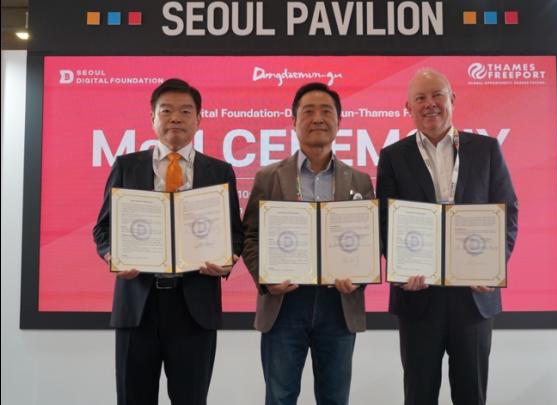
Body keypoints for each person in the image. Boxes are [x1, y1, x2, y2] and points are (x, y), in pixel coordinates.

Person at [93, 78, 243, 405]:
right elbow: (103, 229)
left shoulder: (220, 171)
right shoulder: (126, 166)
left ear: (199, 119)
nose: (175, 118)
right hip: (138, 304)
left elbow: (235, 233)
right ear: (152, 118)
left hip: (194, 307)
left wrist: (227, 259)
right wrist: (112, 255)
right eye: (166, 111)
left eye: (185, 111)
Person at [376, 69, 518, 405]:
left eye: (437, 95)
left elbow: (507, 212)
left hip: (473, 297)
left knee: (472, 395)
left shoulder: (486, 149)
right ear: (408, 108)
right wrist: (400, 269)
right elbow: (384, 220)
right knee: (419, 395)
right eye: (420, 98)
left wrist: (492, 267)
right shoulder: (393, 156)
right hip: (418, 296)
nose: (430, 104)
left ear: (452, 99)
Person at [242, 82, 374, 405]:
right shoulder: (268, 177)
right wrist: (266, 279)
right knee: (280, 397)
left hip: (338, 305)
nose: (318, 118)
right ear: (294, 121)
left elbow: (368, 241)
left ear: (339, 122)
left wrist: (358, 278)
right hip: (285, 303)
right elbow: (250, 236)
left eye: (326, 111)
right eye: (308, 111)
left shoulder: (359, 180)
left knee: (335, 398)